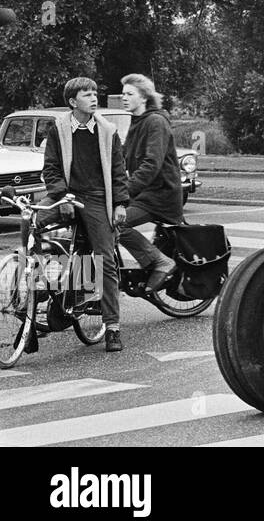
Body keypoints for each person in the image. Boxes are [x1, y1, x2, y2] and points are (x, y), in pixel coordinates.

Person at [41, 78, 129, 352]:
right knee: (32, 224)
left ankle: (112, 327)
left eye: (95, 94)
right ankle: (36, 299)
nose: (93, 98)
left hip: (96, 198)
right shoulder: (59, 128)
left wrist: (120, 204)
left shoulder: (107, 130)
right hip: (65, 193)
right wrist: (62, 194)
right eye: (86, 95)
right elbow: (51, 168)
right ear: (72, 102)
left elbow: (118, 171)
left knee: (105, 260)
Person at [117, 74, 180, 293]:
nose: (124, 98)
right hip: (145, 193)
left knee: (116, 223)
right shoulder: (137, 121)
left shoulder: (156, 121)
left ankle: (161, 261)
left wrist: (124, 193)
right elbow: (121, 159)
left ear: (143, 97)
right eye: (123, 93)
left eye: (129, 94)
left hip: (159, 195)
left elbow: (151, 164)